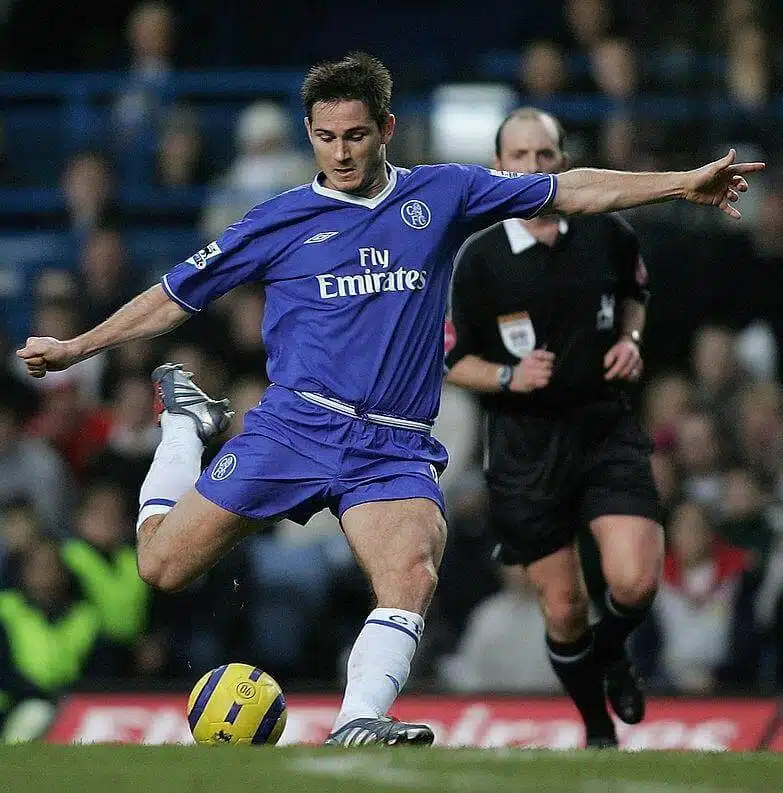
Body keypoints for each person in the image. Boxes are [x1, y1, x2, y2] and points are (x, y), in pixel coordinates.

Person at [16, 53, 763, 747]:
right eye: (325, 137)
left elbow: (570, 189)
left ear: (387, 129)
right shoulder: (278, 218)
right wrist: (79, 346)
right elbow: (174, 296)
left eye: (355, 135)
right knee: (159, 567)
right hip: (295, 427)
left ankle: (359, 719)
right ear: (308, 133)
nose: (340, 153)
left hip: (392, 445)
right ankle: (185, 425)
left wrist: (679, 184)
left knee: (411, 570)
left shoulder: (440, 193)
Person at [444, 107, 685, 746]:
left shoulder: (607, 232)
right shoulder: (479, 259)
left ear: (563, 162)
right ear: (498, 168)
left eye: (544, 155)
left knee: (636, 580)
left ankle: (611, 652)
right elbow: (451, 359)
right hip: (524, 449)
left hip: (604, 428)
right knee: (564, 607)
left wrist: (631, 341)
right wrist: (507, 376)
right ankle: (597, 729)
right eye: (519, 157)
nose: (533, 167)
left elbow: (635, 296)